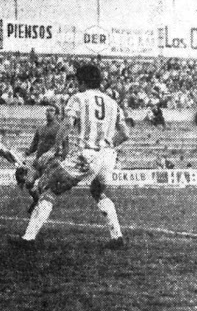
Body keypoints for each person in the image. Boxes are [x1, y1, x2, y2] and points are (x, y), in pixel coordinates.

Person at [9, 64, 129, 249]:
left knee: (48, 188)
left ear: (81, 81)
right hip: (108, 157)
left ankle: (28, 239)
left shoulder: (79, 98)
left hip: (87, 154)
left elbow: (66, 125)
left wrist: (53, 150)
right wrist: (107, 145)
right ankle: (117, 236)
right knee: (97, 192)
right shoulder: (113, 103)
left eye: (77, 81)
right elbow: (125, 133)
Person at [20, 105, 61, 213]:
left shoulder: (60, 128)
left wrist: (61, 158)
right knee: (28, 182)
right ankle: (37, 200)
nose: (48, 112)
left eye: (51, 110)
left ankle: (40, 207)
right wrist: (27, 152)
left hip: (51, 162)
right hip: (38, 161)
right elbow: (34, 144)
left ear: (56, 114)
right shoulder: (40, 127)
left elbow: (64, 146)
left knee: (43, 187)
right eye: (47, 110)